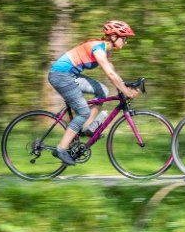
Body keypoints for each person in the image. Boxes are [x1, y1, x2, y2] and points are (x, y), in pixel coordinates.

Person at [48, 20, 140, 165]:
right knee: (83, 112)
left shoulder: (105, 51)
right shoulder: (98, 48)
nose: (126, 42)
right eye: (125, 38)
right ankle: (61, 149)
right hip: (60, 75)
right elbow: (109, 74)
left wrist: (126, 87)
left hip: (71, 75)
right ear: (114, 36)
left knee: (102, 91)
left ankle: (85, 128)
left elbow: (113, 74)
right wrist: (126, 91)